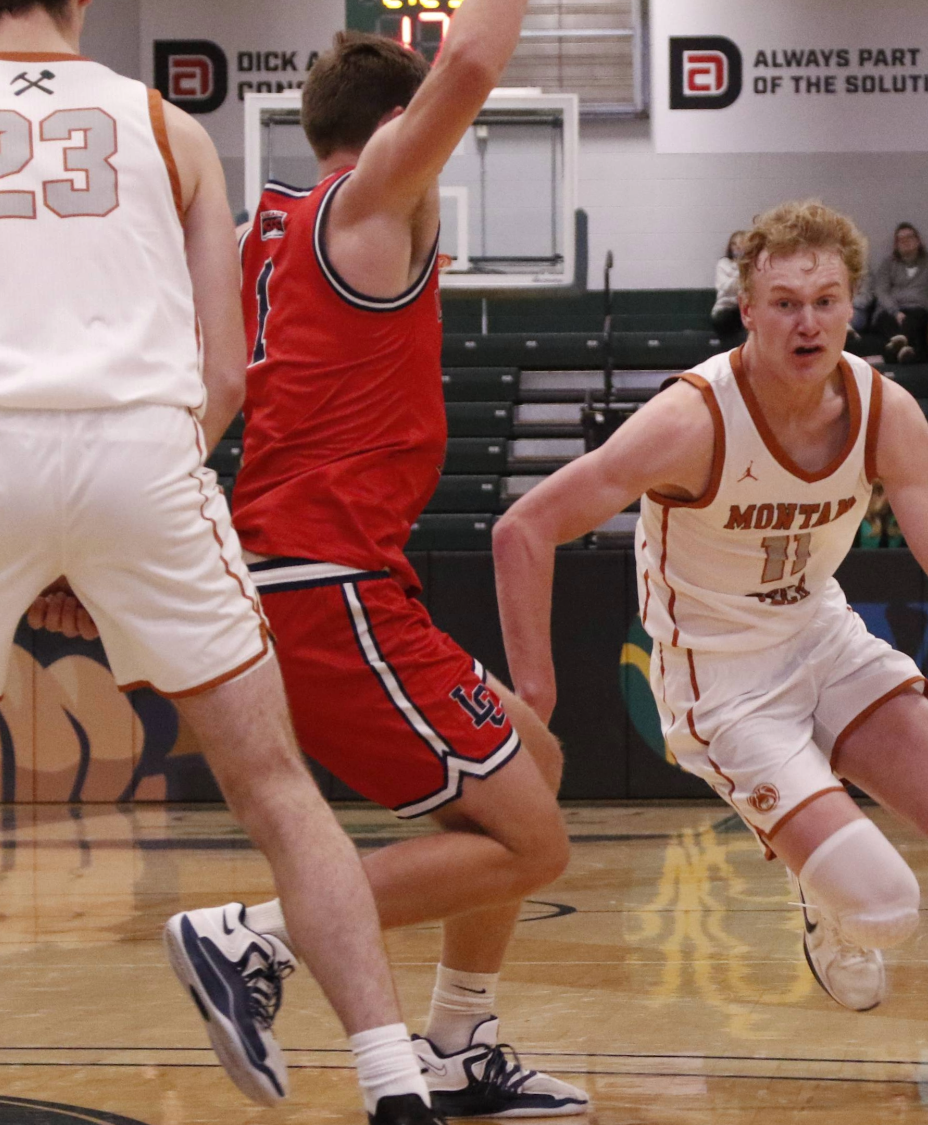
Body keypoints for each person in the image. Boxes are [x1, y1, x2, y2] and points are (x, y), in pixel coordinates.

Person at [0, 2, 438, 1124]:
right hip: (144, 452)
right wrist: (108, 524)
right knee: (274, 787)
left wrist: (19, 529)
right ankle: (394, 1086)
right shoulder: (171, 130)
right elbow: (223, 372)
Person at [491, 199, 928, 1087]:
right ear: (748, 308)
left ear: (855, 305)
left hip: (821, 636)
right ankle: (821, 889)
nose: (806, 321)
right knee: (887, 908)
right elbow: (524, 529)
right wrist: (535, 699)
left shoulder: (882, 409)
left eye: (825, 300)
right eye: (783, 302)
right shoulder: (692, 418)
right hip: (720, 682)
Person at [184, 20, 584, 1120]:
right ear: (395, 131)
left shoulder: (260, 230)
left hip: (321, 575)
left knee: (534, 760)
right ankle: (249, 936)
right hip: (326, 587)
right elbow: (468, 66)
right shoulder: (366, 204)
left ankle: (458, 1044)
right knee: (531, 842)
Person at [859, 222, 928, 363]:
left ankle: (900, 346)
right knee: (886, 320)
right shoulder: (888, 263)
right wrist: (895, 312)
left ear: (918, 240)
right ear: (896, 245)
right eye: (900, 239)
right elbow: (881, 290)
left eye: (909, 237)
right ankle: (905, 351)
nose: (905, 242)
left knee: (918, 320)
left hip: (918, 310)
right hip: (889, 311)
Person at [712, 229, 746, 345]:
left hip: (745, 308)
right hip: (725, 309)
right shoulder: (723, 264)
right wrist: (740, 270)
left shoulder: (751, 265)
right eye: (734, 244)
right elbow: (724, 287)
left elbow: (749, 287)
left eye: (741, 244)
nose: (737, 247)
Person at [856, 481, 906, 548]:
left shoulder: (900, 517)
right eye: (876, 492)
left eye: (880, 491)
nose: (876, 498)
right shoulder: (856, 519)